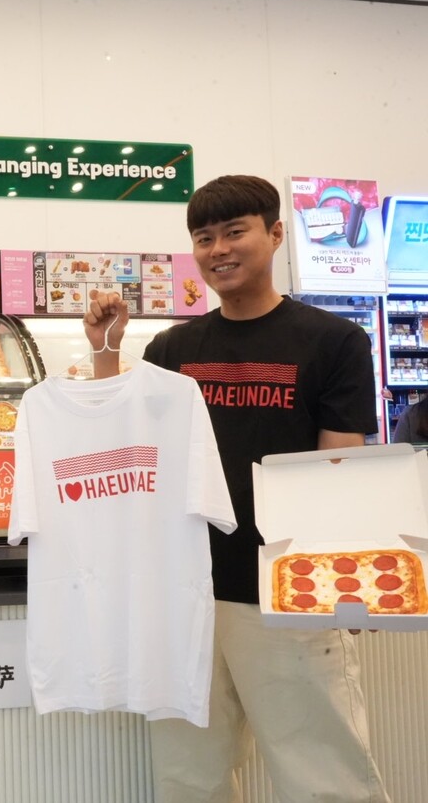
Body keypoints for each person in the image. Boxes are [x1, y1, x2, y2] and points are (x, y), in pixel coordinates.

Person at [85, 174, 390, 803]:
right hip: (184, 595)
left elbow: (341, 465)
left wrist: (348, 580)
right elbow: (126, 447)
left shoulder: (333, 340)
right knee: (189, 775)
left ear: (275, 234)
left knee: (323, 776)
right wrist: (106, 355)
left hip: (288, 593)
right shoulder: (173, 348)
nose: (218, 249)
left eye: (234, 231)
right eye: (204, 237)